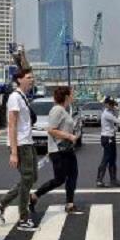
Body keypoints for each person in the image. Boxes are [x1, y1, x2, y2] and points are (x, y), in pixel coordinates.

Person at [0, 68, 40, 231]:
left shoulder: (22, 96)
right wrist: (13, 152)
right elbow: (11, 125)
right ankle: (23, 219)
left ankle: (1, 203)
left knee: (32, 177)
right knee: (27, 179)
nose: (32, 80)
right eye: (28, 77)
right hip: (20, 145)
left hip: (28, 142)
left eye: (32, 77)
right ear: (19, 80)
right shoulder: (14, 97)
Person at [30, 86, 84, 214]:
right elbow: (51, 130)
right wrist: (69, 136)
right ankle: (34, 196)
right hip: (59, 151)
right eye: (72, 94)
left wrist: (72, 136)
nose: (74, 96)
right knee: (59, 179)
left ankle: (70, 204)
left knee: (73, 175)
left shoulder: (64, 110)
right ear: (66, 96)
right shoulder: (57, 110)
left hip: (67, 149)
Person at [96, 96, 120, 188]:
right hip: (107, 138)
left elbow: (117, 112)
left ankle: (113, 180)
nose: (112, 105)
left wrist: (116, 108)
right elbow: (118, 121)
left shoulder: (110, 111)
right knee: (106, 159)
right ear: (106, 104)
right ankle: (99, 180)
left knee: (112, 159)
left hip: (111, 138)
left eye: (113, 104)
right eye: (110, 104)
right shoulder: (106, 114)